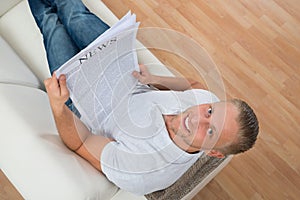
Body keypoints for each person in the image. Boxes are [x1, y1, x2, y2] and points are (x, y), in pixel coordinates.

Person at [29, 0, 259, 195]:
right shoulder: (205, 102)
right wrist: (153, 79)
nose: (200, 117)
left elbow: (82, 143)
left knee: (51, 24)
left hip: (85, 101)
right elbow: (195, 85)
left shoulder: (143, 172)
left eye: (210, 131)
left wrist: (58, 106)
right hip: (123, 73)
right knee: (74, 13)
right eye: (209, 111)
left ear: (214, 152)